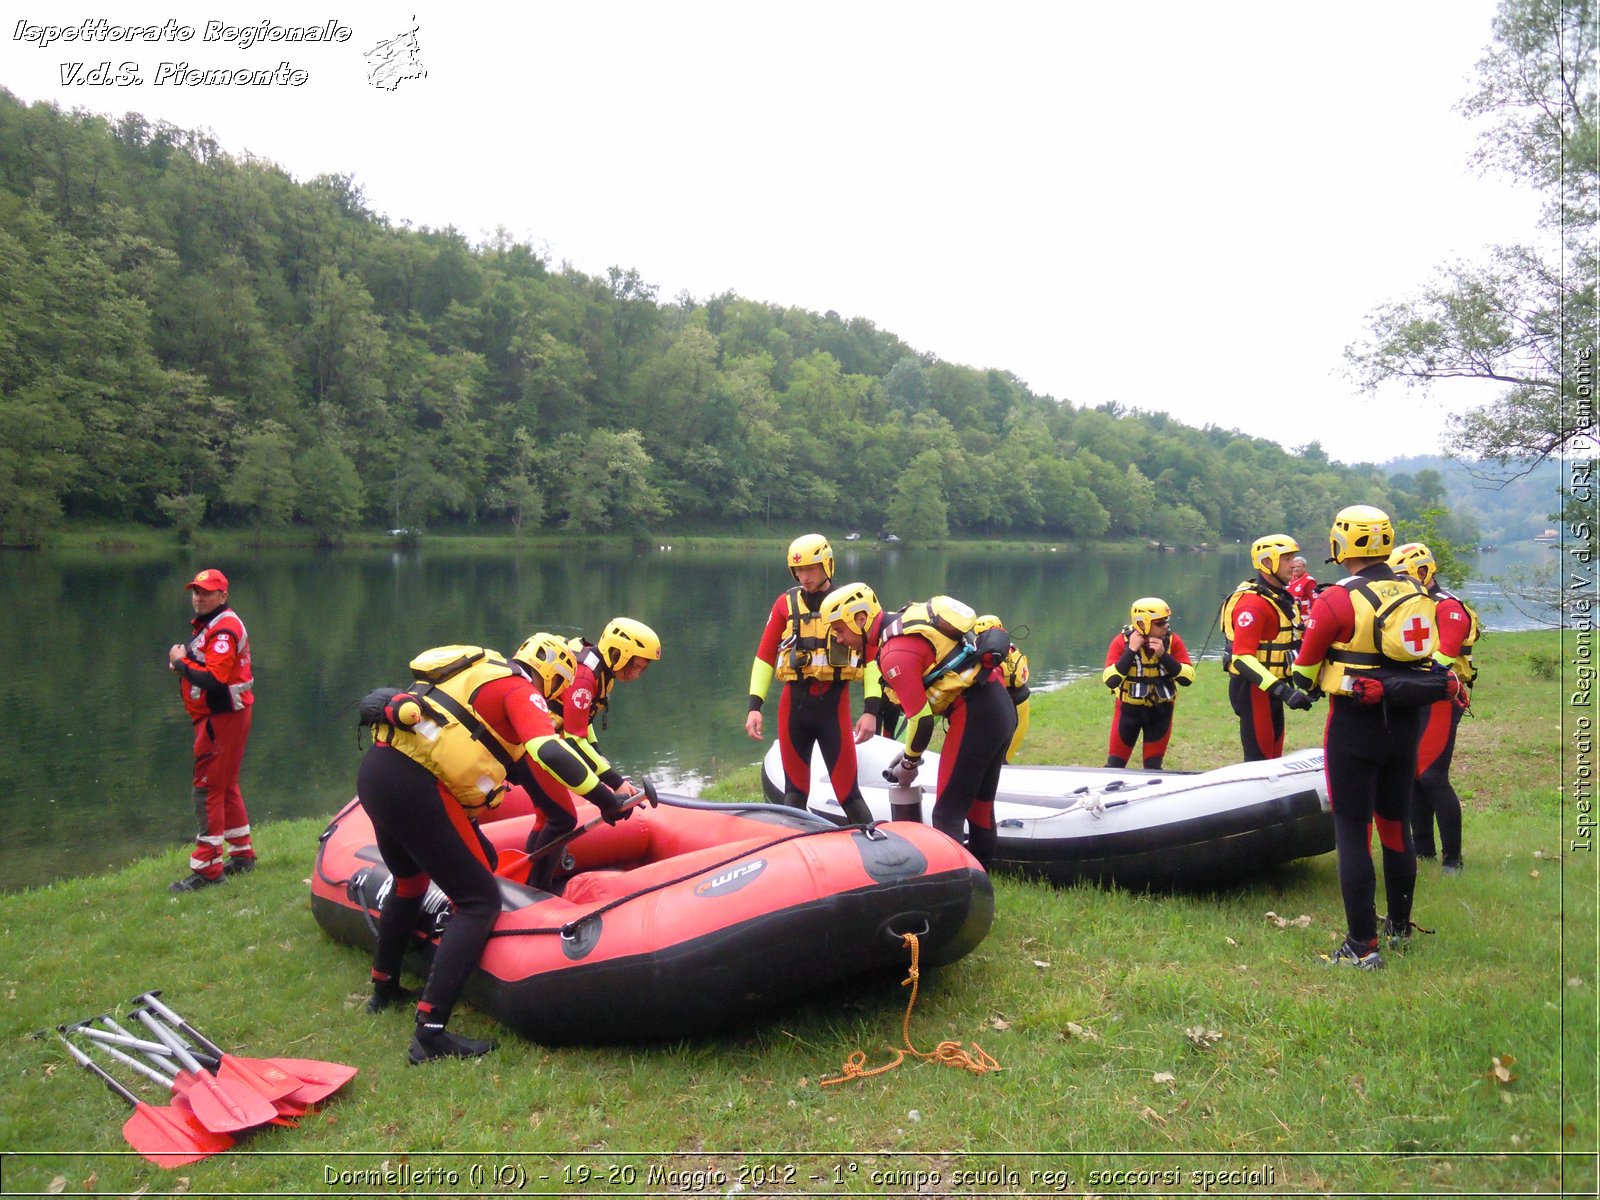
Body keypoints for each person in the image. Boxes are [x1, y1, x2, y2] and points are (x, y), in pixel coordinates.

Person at [356, 635, 632, 1063]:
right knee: (479, 901)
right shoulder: (520, 690)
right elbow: (547, 749)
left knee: (410, 882)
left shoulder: (475, 675)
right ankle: (429, 1035)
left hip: (377, 772)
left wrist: (608, 785)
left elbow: (521, 759)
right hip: (416, 786)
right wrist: (605, 798)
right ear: (553, 675)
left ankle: (383, 987)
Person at [1291, 505, 1459, 970]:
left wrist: (1299, 687)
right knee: (1393, 824)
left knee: (1352, 830)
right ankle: (1400, 929)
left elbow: (1305, 669)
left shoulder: (1337, 599)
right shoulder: (1416, 590)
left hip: (1354, 724)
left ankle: (1361, 946)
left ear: (1341, 544)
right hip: (1406, 723)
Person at [822, 585, 1017, 867]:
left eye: (839, 629)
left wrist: (909, 764)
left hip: (976, 716)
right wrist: (908, 754)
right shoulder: (905, 621)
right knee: (980, 807)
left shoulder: (893, 653)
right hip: (999, 705)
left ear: (860, 619)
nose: (839, 638)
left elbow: (922, 720)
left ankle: (955, 890)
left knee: (946, 815)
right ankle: (981, 881)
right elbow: (941, 685)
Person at [744, 534, 874, 824]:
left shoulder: (850, 603)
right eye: (799, 571)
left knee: (849, 797)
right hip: (794, 709)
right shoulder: (784, 605)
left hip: (834, 709)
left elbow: (873, 657)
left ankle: (882, 855)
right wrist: (755, 705)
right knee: (794, 795)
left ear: (827, 565)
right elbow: (765, 656)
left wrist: (871, 710)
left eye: (811, 569)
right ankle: (797, 857)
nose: (804, 577)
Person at [1389, 542, 1479, 875]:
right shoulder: (1414, 608)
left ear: (1424, 571)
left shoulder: (1446, 606)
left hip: (1442, 698)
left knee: (1432, 775)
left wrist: (1411, 679)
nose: (1399, 583)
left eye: (1403, 575)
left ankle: (1453, 859)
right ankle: (1423, 851)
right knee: (1414, 775)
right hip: (1417, 698)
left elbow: (1446, 652)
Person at [166, 568, 255, 893]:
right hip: (226, 717)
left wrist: (181, 663)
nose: (198, 597)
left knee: (207, 790)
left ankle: (207, 869)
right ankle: (243, 855)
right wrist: (186, 659)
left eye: (205, 592)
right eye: (195, 591)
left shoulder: (224, 629)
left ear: (223, 595)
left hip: (221, 719)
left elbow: (215, 679)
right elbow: (207, 667)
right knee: (226, 786)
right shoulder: (215, 625)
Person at [1222, 535, 1314, 761]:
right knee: (1260, 760)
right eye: (1287, 559)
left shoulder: (1280, 598)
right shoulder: (1252, 604)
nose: (1294, 564)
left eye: (1293, 558)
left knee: (1274, 756)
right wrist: (1284, 691)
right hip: (1255, 691)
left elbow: (1294, 643)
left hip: (1273, 689)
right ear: (1267, 562)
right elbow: (1241, 658)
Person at [1101, 597, 1195, 770]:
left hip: (1161, 713)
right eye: (1160, 623)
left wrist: (1163, 655)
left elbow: (1187, 678)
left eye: (1167, 622)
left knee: (1153, 767)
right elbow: (1110, 679)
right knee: (1115, 765)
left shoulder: (1173, 641)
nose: (1165, 626)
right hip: (1128, 713)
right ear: (1143, 623)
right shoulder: (1121, 642)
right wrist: (1131, 651)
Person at [974, 614, 1032, 761]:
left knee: (996, 760)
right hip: (1022, 703)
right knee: (1005, 756)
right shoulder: (1010, 646)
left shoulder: (989, 654)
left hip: (1005, 707)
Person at [1287, 556, 1318, 622]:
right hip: (1292, 617)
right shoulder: (1289, 578)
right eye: (1294, 567)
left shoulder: (1309, 581)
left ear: (1304, 567)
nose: (1296, 569)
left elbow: (1316, 602)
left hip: (1304, 618)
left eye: (1298, 567)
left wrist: (1310, 619)